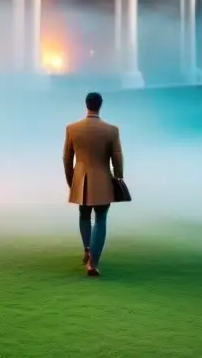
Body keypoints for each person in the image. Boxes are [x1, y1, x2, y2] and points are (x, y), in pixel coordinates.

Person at [62, 91, 124, 277]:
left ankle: (87, 248)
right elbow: (117, 158)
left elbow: (67, 158)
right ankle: (93, 262)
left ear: (86, 104)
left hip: (80, 179)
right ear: (101, 104)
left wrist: (71, 180)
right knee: (101, 219)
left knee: (84, 214)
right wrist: (118, 177)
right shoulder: (112, 130)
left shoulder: (72, 128)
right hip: (103, 179)